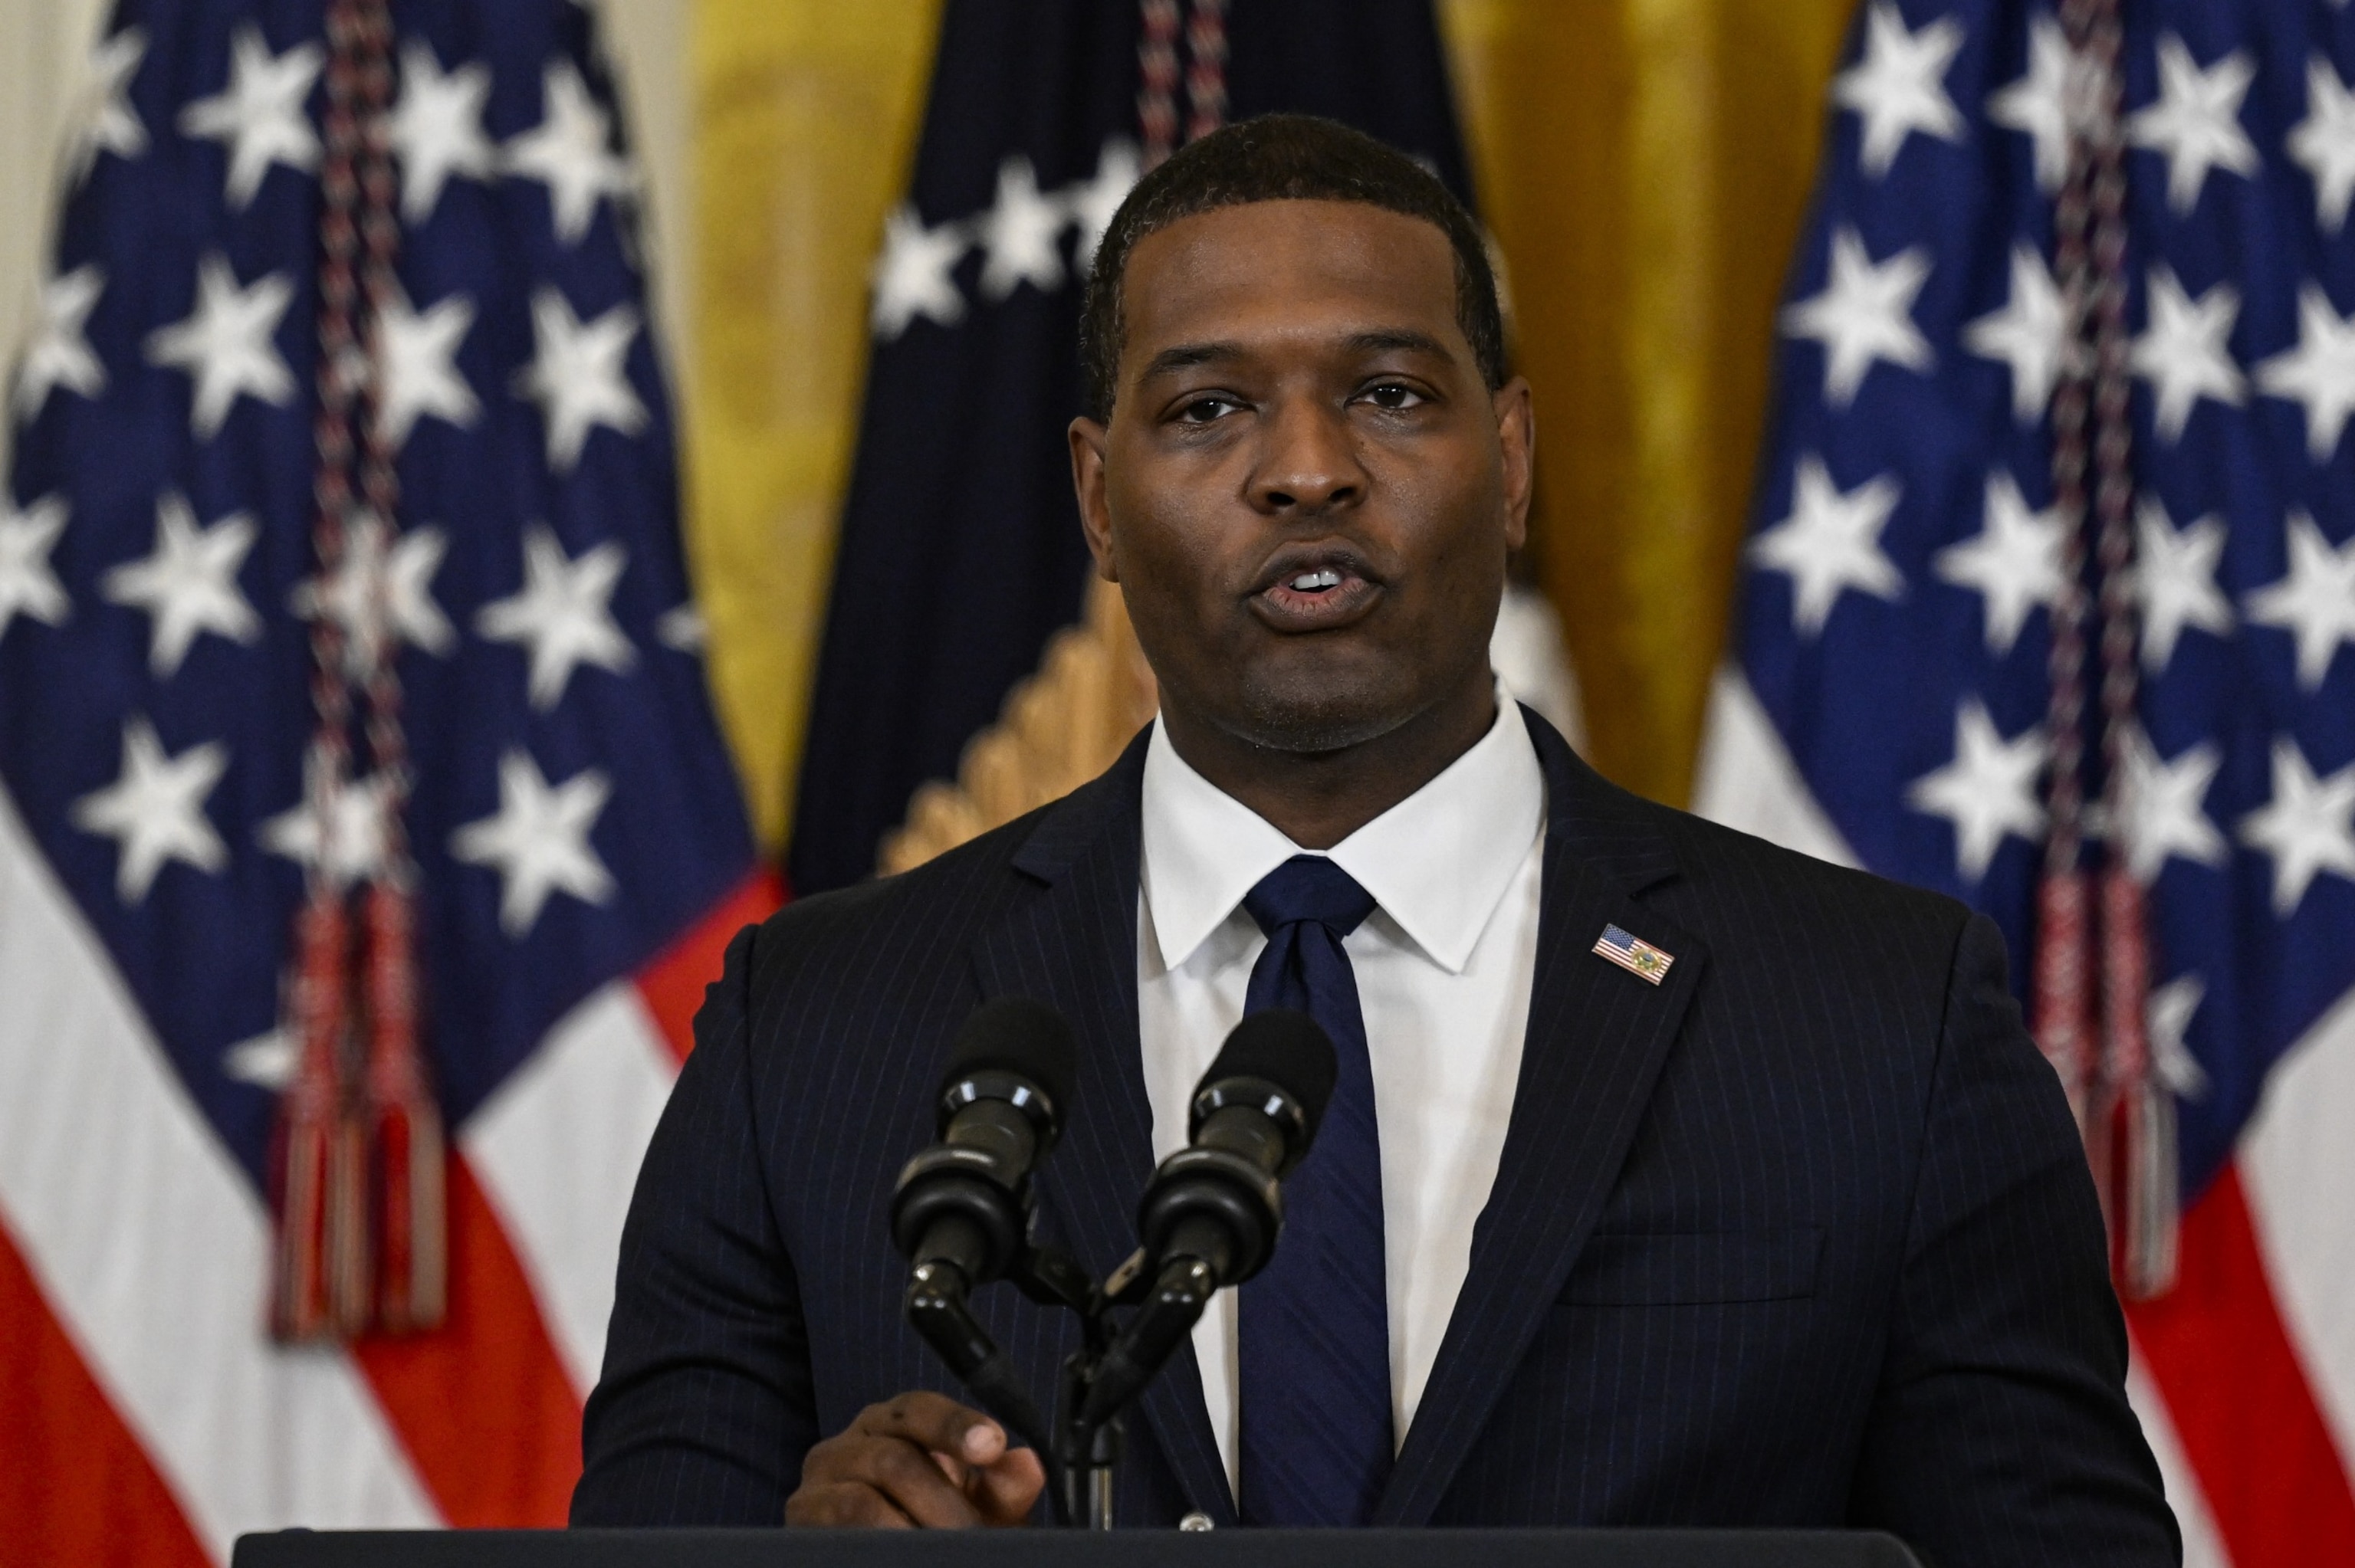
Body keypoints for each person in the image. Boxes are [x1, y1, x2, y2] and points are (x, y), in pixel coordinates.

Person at [573, 113, 2178, 1560]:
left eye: (1393, 395)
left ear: (1517, 459)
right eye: (1208, 409)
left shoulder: (1877, 1021)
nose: (1309, 470)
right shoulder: (814, 1029)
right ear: (1097, 503)